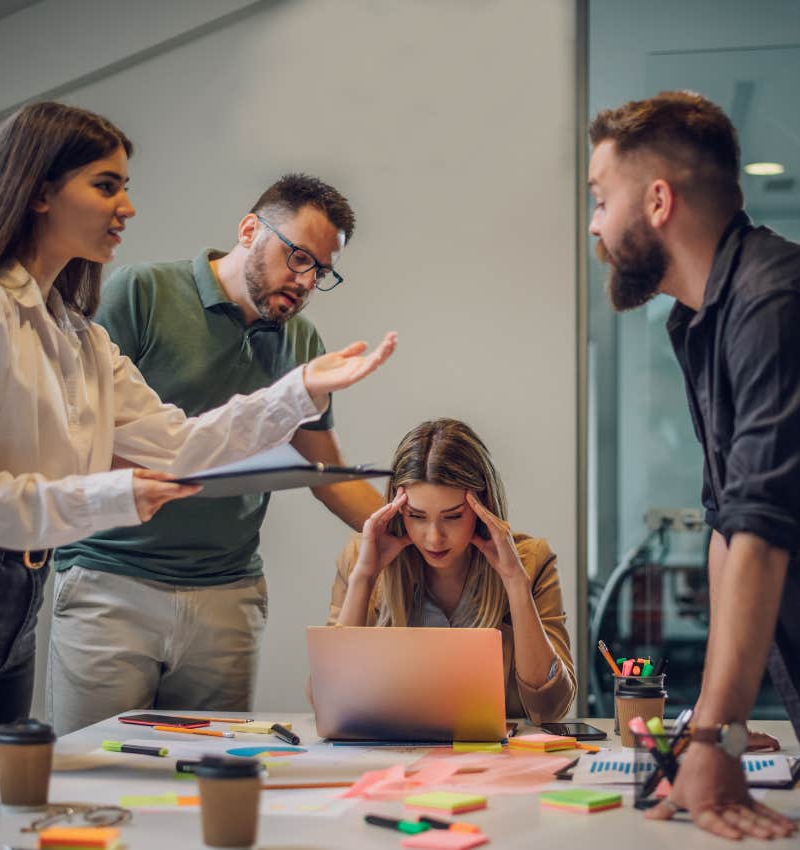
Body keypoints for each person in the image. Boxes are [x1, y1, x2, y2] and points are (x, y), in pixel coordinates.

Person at [0, 101, 396, 777]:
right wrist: (112, 496)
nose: (126, 207)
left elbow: (180, 445)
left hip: (22, 595)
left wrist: (299, 389)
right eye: (106, 186)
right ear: (39, 191)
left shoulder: (79, 335)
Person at [48, 174, 386, 735]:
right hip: (111, 579)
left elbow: (326, 472)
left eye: (321, 272)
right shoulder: (140, 293)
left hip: (227, 593)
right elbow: (82, 434)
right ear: (250, 230)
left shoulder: (301, 341)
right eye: (297, 257)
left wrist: (405, 529)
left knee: (210, 782)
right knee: (91, 777)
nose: (304, 282)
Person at [588, 90, 799, 841]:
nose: (594, 225)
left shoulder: (775, 301)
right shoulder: (701, 318)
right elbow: (725, 526)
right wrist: (717, 729)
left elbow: (763, 527)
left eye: (600, 198)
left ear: (656, 199)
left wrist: (714, 738)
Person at [324, 418, 576, 723]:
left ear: (483, 507)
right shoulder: (361, 558)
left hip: (495, 759)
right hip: (390, 756)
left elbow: (550, 707)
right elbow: (330, 702)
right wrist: (364, 578)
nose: (433, 537)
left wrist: (515, 582)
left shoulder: (533, 561)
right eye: (416, 516)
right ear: (397, 509)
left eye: (453, 516)